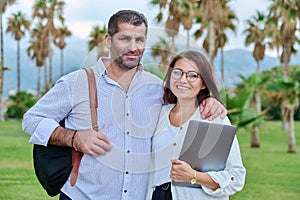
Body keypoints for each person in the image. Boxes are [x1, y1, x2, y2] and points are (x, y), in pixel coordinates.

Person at [22, 10, 227, 200]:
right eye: (125, 39)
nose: (133, 47)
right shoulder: (76, 82)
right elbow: (31, 119)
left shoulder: (157, 88)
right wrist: (74, 138)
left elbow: (187, 101)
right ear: (108, 41)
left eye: (139, 39)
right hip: (82, 196)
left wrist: (208, 101)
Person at [149, 50, 246, 200]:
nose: (183, 79)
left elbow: (236, 177)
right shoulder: (158, 115)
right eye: (178, 72)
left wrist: (194, 176)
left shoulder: (214, 119)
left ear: (203, 84)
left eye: (192, 75)